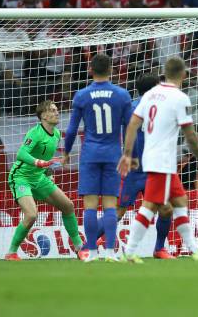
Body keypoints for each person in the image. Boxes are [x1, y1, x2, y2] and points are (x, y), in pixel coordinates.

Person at [117, 56, 198, 263]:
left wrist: (127, 154)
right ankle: (129, 251)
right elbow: (190, 134)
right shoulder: (179, 97)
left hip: (159, 161)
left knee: (179, 203)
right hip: (161, 161)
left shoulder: (150, 94)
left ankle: (195, 250)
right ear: (183, 74)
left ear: (165, 73)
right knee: (150, 207)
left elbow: (132, 125)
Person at [81, 74, 175, 259]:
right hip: (131, 172)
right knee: (117, 211)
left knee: (166, 208)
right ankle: (86, 247)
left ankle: (159, 249)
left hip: (153, 171)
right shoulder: (130, 108)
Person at [63, 54, 133, 262]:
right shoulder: (122, 95)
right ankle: (111, 252)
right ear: (111, 70)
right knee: (110, 204)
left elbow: (72, 128)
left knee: (90, 205)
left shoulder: (82, 95)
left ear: (90, 70)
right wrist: (130, 155)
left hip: (90, 155)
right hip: (113, 155)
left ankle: (91, 252)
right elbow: (130, 128)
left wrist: (66, 152)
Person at [4, 100, 83, 260]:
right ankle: (11, 252)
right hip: (21, 177)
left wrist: (48, 173)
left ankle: (80, 248)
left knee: (68, 206)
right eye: (53, 110)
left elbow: (45, 158)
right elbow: (21, 154)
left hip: (39, 177)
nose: (57, 112)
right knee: (32, 215)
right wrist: (37, 162)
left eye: (56, 109)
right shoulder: (35, 132)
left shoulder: (57, 134)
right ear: (44, 116)